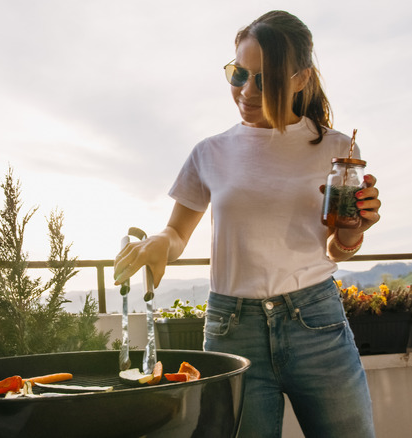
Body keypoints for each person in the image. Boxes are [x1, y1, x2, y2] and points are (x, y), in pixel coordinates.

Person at [114, 10, 380, 438]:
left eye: (264, 78)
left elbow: (334, 247)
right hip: (232, 332)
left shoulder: (334, 149)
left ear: (300, 79)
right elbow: (178, 231)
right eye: (239, 74)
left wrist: (353, 231)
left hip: (316, 323)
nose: (246, 90)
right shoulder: (211, 152)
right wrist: (161, 243)